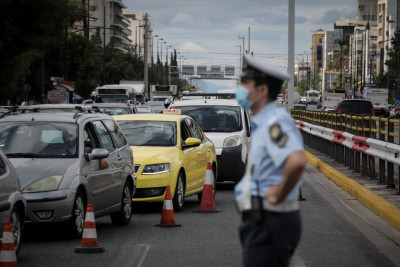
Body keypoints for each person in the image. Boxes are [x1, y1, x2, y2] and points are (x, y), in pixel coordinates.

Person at [235, 55, 307, 267]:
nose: (239, 88)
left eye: (245, 83)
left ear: (262, 90)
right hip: (261, 220)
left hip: (271, 220)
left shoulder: (274, 122)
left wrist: (279, 194)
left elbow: (297, 161)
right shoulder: (263, 121)